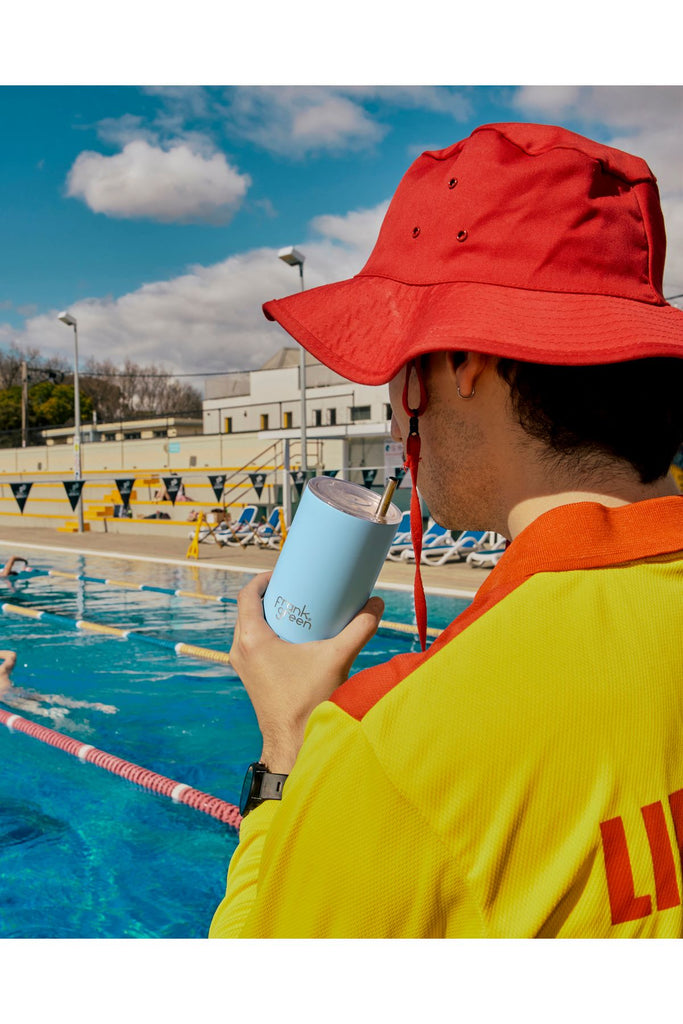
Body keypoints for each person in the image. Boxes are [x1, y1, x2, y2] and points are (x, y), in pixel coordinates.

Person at [209, 122, 683, 938]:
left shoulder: (396, 745)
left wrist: (287, 750)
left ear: (460, 363)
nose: (395, 411)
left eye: (396, 366)